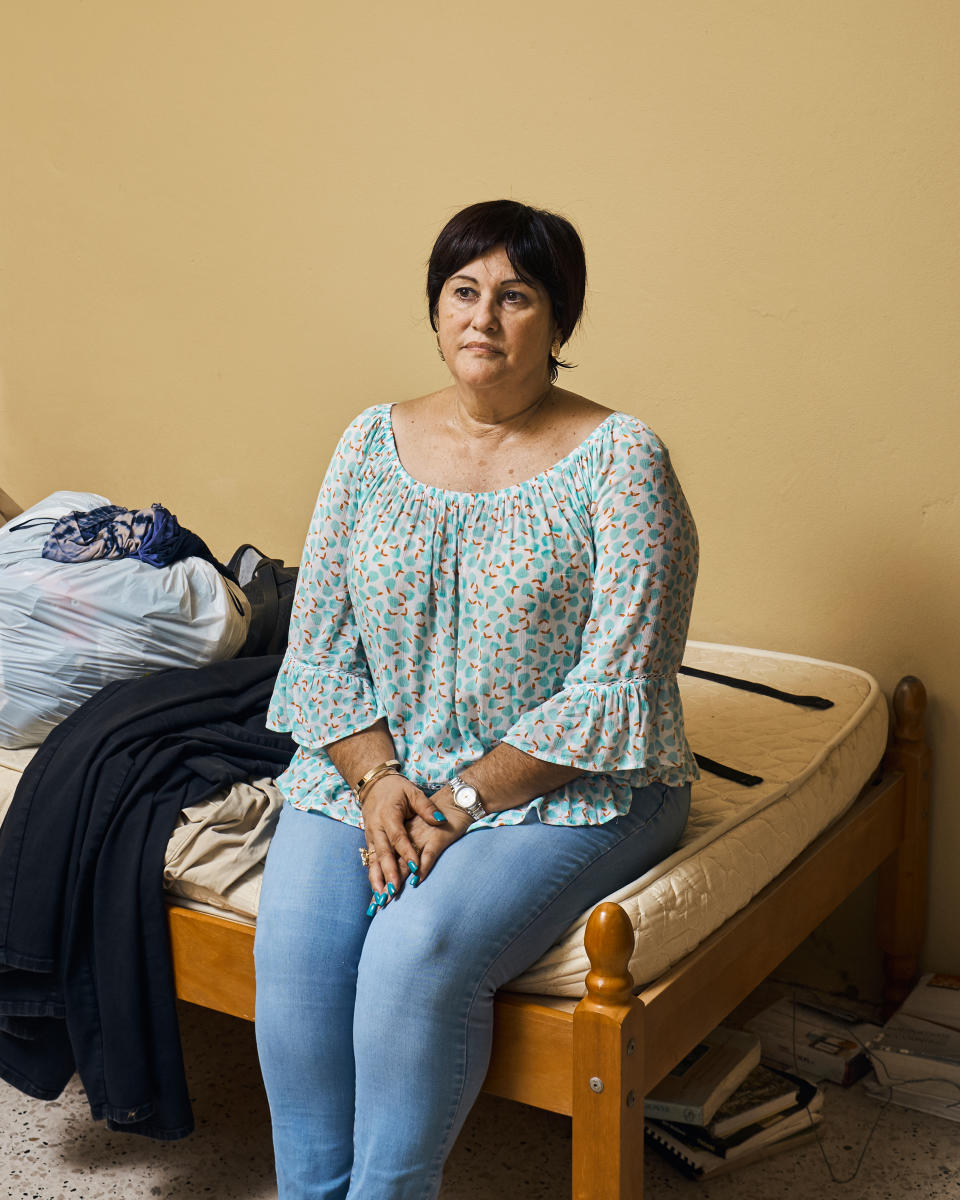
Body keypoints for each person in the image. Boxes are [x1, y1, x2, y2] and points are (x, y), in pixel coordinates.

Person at [254, 199, 699, 1199]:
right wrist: (376, 781)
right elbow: (320, 643)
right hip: (380, 768)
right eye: (464, 292)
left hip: (568, 781)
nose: (484, 318)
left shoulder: (622, 459)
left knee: (411, 954)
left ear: (559, 320)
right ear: (435, 307)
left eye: (516, 296)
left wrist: (461, 801)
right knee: (292, 951)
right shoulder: (371, 442)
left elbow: (617, 687)